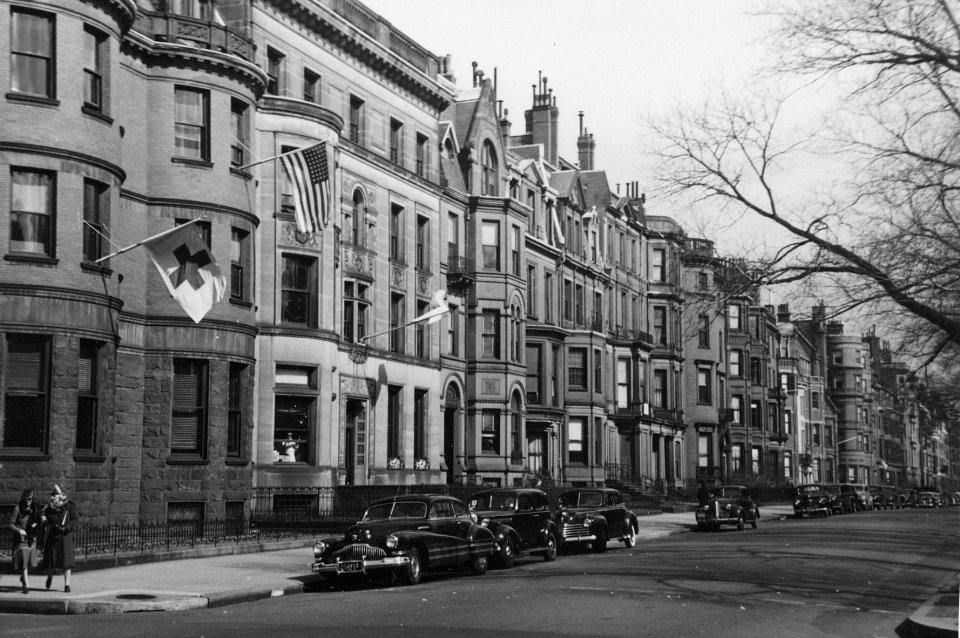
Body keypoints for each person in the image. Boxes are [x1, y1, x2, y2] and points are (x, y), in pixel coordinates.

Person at [41, 485, 77, 593]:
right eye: (51, 496)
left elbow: (74, 519)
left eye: (54, 495)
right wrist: (44, 519)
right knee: (51, 561)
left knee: (67, 562)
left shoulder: (69, 507)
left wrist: (67, 528)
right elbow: (42, 514)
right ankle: (50, 576)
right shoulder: (49, 508)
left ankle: (67, 585)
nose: (52, 498)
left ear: (61, 496)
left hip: (65, 537)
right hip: (54, 536)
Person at [7, 488, 41, 594]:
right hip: (21, 540)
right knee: (24, 562)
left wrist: (40, 522)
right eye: (26, 499)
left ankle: (23, 577)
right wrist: (19, 530)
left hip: (31, 538)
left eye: (30, 499)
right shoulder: (17, 509)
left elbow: (40, 519)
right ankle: (26, 584)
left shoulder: (34, 508)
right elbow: (10, 524)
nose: (28, 502)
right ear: (23, 499)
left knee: (30, 562)